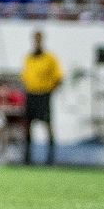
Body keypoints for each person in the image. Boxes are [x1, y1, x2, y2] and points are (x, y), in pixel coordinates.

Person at [20, 30, 63, 165]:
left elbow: (58, 77)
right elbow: (25, 77)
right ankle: (27, 158)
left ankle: (50, 159)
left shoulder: (50, 58)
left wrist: (49, 91)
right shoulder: (28, 57)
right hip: (31, 94)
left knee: (48, 126)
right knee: (27, 126)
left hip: (44, 95)